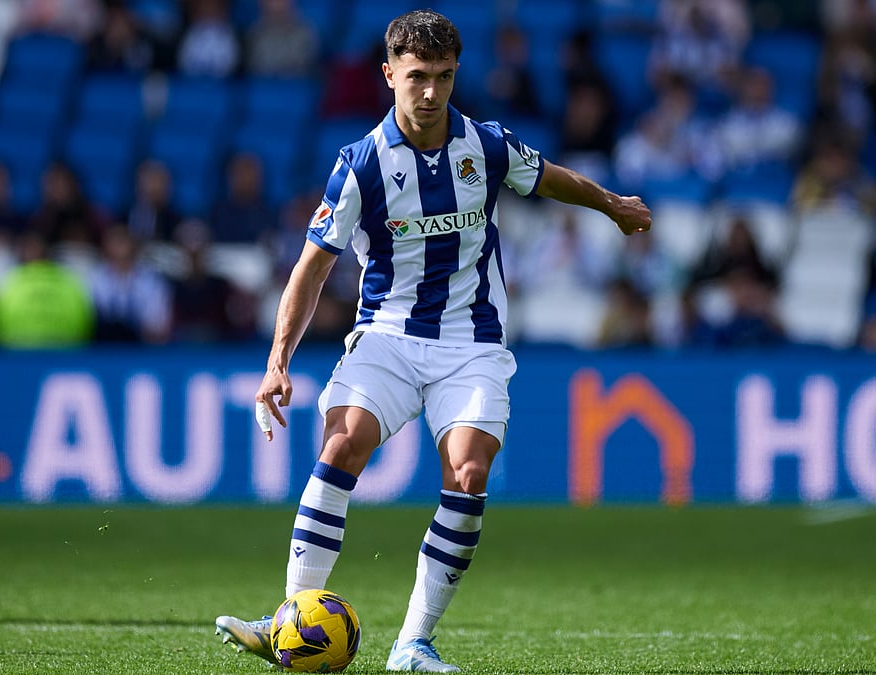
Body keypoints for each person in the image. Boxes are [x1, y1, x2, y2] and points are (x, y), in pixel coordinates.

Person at [213, 10, 651, 673]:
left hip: (470, 341)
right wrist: (277, 362)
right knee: (341, 444)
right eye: (417, 77)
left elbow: (550, 175)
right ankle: (292, 619)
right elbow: (311, 268)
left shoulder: (485, 145)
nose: (430, 93)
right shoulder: (359, 166)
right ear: (389, 75)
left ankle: (412, 644)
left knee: (469, 473)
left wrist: (610, 203)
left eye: (443, 77)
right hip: (387, 334)